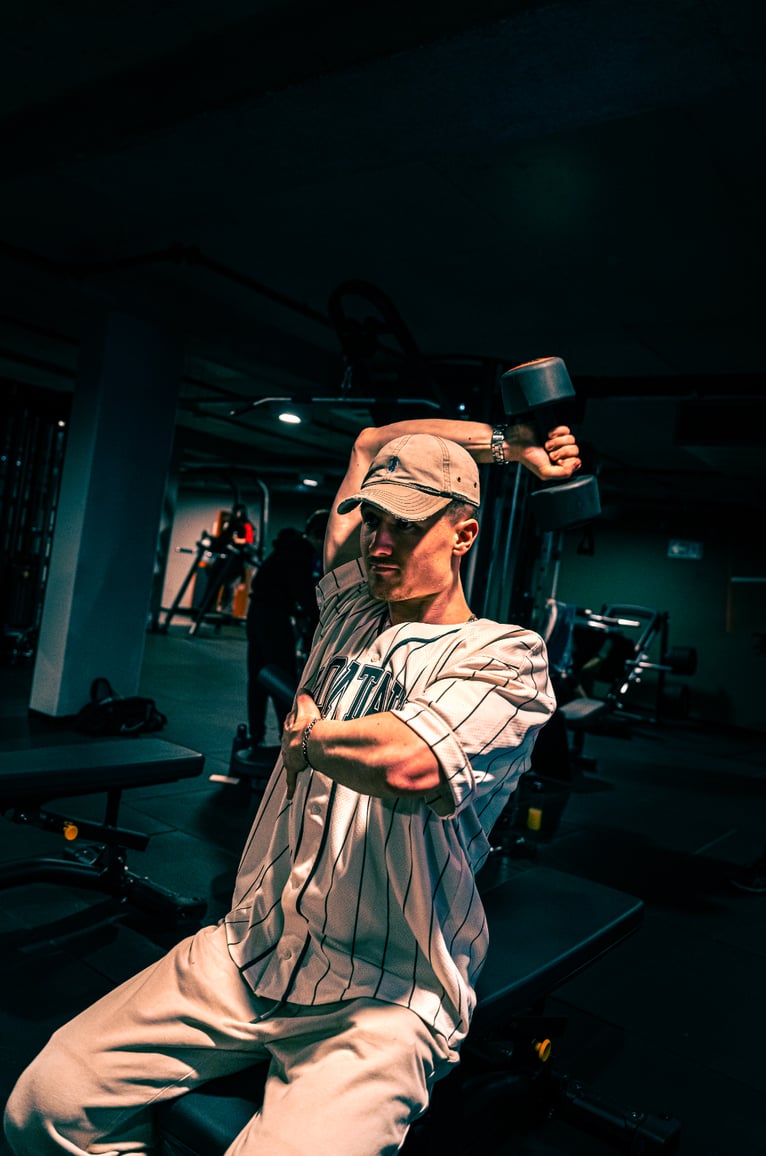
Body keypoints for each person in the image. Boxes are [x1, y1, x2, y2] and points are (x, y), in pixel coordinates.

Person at [4, 415, 580, 1156]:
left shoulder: (505, 654)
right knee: (45, 1104)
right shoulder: (348, 608)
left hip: (382, 995)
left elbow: (410, 763)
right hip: (252, 949)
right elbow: (370, 441)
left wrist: (308, 739)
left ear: (463, 535)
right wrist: (509, 446)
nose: (379, 544)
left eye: (405, 527)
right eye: (373, 522)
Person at [239, 517, 327, 761]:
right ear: (319, 536)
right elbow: (304, 594)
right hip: (272, 617)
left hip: (258, 614)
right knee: (281, 674)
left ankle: (256, 735)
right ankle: (286, 736)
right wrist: (318, 617)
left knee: (258, 674)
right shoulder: (299, 553)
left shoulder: (287, 549)